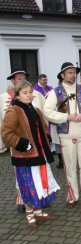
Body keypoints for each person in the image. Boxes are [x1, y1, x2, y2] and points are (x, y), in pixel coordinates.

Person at [1, 80, 60, 228]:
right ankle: (29, 213)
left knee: (39, 183)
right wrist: (23, 144)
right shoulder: (13, 111)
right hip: (25, 156)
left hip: (39, 155)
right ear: (18, 95)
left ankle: (38, 210)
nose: (28, 96)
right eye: (24, 93)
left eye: (30, 93)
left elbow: (44, 128)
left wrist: (47, 137)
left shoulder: (36, 110)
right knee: (28, 185)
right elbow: (6, 134)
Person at [43, 62, 81, 207]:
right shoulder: (56, 92)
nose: (73, 75)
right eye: (69, 72)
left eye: (74, 72)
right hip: (66, 135)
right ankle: (72, 196)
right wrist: (66, 117)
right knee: (70, 167)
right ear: (62, 75)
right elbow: (47, 111)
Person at [0, 68, 31, 213]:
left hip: (34, 142)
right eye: (18, 78)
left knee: (36, 171)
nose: (21, 80)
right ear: (13, 81)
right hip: (17, 142)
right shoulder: (2, 98)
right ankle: (21, 199)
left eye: (23, 78)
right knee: (19, 172)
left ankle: (36, 197)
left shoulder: (33, 95)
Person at [34, 74, 63, 169]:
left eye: (46, 80)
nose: (45, 81)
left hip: (52, 115)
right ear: (39, 80)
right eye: (43, 80)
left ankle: (60, 160)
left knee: (56, 138)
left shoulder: (50, 88)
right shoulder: (35, 90)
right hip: (41, 115)